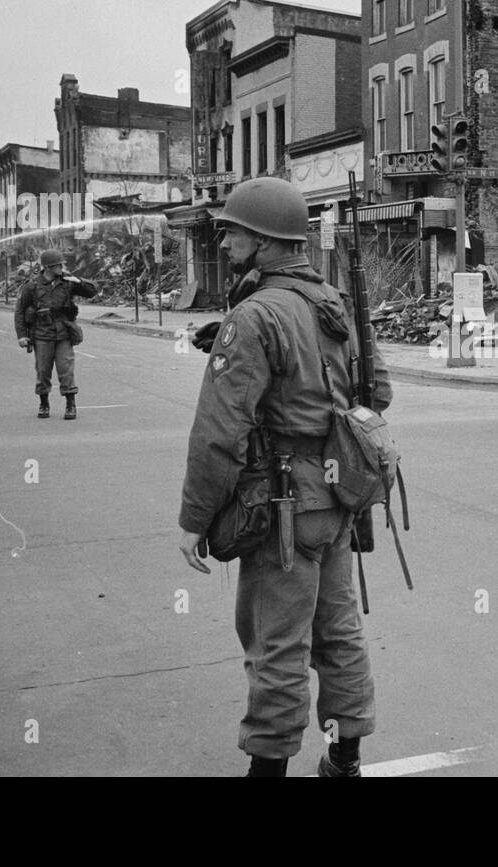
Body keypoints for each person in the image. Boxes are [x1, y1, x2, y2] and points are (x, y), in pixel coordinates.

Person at [176, 177, 392, 778]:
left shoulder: (255, 315)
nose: (224, 239)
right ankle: (345, 757)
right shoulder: (333, 304)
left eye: (233, 230)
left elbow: (219, 433)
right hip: (338, 498)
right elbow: (380, 393)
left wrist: (195, 520)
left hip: (284, 506)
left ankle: (266, 772)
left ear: (266, 240)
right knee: (339, 632)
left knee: (276, 645)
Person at [14, 249, 98, 419]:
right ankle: (44, 403)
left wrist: (77, 279)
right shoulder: (32, 286)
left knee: (66, 369)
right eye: (58, 265)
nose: (61, 267)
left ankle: (70, 404)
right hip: (42, 334)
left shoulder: (67, 282)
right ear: (48, 267)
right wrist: (22, 335)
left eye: (61, 264)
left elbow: (92, 291)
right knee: (43, 371)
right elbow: (20, 311)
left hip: (63, 334)